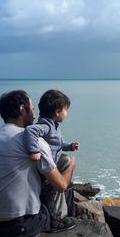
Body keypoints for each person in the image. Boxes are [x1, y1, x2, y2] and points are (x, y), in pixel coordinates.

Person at [0, 90, 76, 237]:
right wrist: (71, 165)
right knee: (65, 177)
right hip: (20, 226)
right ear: (23, 109)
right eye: (32, 109)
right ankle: (60, 222)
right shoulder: (35, 142)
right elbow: (61, 185)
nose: (35, 116)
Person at [23, 89, 79, 221]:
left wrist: (70, 146)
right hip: (45, 170)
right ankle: (58, 219)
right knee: (55, 191)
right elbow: (30, 131)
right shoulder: (45, 126)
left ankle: (62, 197)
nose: (67, 113)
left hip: (52, 163)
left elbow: (58, 144)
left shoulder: (53, 126)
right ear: (57, 111)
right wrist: (34, 151)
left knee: (65, 158)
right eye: (65, 109)